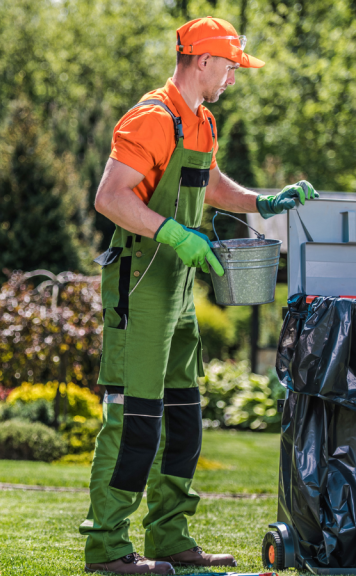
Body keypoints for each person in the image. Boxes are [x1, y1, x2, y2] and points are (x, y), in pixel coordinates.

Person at [79, 16, 318, 575]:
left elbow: (208, 184)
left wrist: (263, 203)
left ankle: (169, 534)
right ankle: (108, 546)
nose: (234, 75)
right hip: (140, 285)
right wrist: (170, 231)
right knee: (134, 417)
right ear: (204, 60)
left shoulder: (201, 122)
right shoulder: (151, 117)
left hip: (180, 288)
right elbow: (110, 198)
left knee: (184, 415)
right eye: (231, 64)